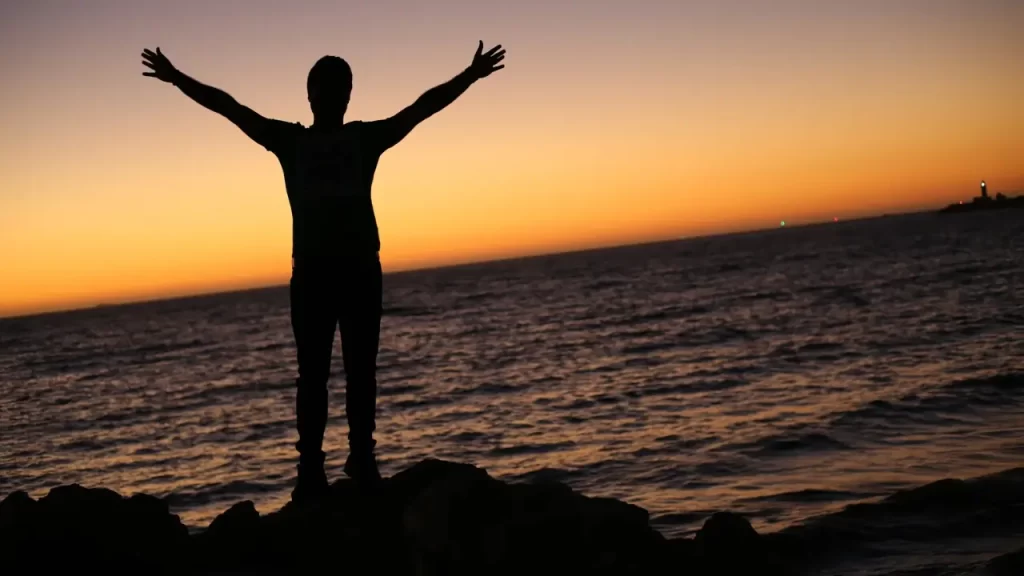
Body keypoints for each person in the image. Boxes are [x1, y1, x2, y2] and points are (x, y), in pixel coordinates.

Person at [140, 41, 506, 502]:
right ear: (311, 95)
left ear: (346, 95)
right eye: (327, 89)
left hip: (356, 272)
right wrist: (177, 79)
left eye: (339, 89)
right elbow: (229, 107)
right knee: (317, 375)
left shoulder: (357, 139)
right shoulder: (295, 141)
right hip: (315, 275)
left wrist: (469, 76)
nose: (334, 97)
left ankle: (357, 458)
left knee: (357, 371)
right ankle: (312, 469)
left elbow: (421, 108)